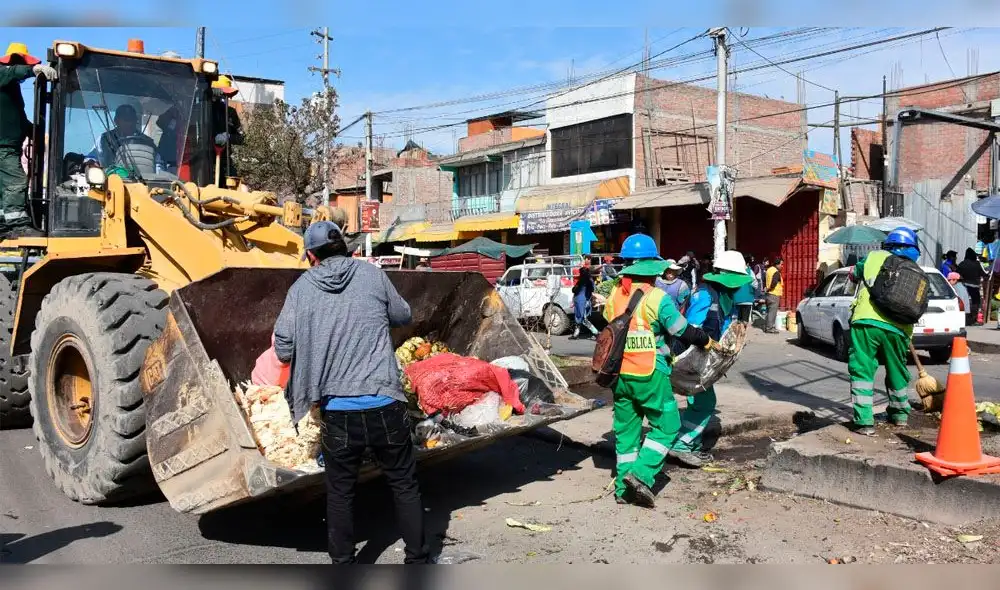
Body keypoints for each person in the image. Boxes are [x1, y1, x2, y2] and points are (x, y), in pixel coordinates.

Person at [273, 221, 431, 564]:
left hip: (338, 412)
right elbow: (403, 314)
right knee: (404, 485)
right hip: (385, 403)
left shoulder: (301, 289)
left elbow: (283, 348)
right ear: (343, 246)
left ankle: (344, 568)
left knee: (340, 493)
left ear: (311, 255)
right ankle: (418, 562)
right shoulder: (371, 275)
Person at [602, 233, 717, 508]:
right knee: (667, 426)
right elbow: (682, 330)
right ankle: (641, 475)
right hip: (649, 374)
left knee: (627, 433)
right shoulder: (657, 298)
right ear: (652, 267)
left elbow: (608, 326)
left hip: (619, 377)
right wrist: (707, 340)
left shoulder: (615, 295)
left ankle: (622, 490)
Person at [668, 250, 753, 468]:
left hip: (704, 360)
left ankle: (690, 443)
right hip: (691, 359)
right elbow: (691, 330)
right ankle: (682, 443)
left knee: (701, 403)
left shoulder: (725, 297)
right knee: (704, 403)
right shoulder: (705, 295)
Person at [847, 227, 920, 436]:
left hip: (867, 322)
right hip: (900, 328)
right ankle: (899, 416)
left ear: (888, 244)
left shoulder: (875, 256)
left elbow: (854, 273)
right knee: (897, 371)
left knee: (862, 370)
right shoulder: (915, 269)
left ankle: (864, 422)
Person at [0, 43, 56, 238]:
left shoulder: (10, 90)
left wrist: (33, 130)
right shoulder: (2, 74)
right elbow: (13, 71)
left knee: (4, 188)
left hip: (9, 146)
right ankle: (18, 225)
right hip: (3, 147)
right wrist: (34, 70)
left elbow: (17, 118)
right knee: (15, 182)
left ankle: (4, 226)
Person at [211, 75, 245, 182]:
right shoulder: (203, 110)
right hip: (205, 161)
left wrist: (229, 137)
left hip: (226, 161)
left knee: (234, 184)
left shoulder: (230, 112)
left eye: (227, 95)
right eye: (223, 94)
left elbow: (242, 138)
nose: (226, 98)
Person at [957, 247, 986, 325]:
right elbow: (983, 274)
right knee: (976, 303)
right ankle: (973, 320)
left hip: (965, 287)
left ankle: (965, 320)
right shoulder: (977, 264)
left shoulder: (962, 264)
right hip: (975, 287)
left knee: (966, 303)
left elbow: (957, 275)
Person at [570, 265, 598, 340]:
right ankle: (576, 334)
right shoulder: (589, 280)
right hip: (583, 301)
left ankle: (596, 333)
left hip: (581, 302)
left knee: (582, 319)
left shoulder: (582, 281)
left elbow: (574, 290)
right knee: (580, 319)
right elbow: (592, 290)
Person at [763, 257, 784, 334]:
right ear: (777, 264)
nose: (782, 266)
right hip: (774, 294)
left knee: (768, 311)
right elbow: (774, 283)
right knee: (772, 312)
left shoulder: (769, 270)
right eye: (781, 264)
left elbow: (765, 280)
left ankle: (767, 326)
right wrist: (769, 288)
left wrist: (767, 289)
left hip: (768, 294)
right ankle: (770, 328)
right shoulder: (776, 272)